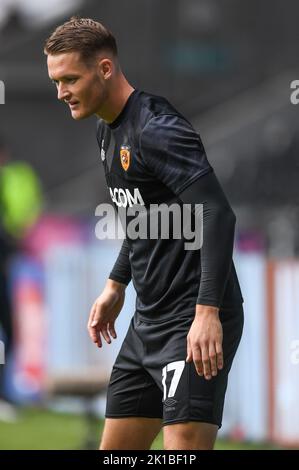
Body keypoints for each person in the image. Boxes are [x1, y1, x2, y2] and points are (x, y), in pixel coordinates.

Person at [44, 17, 244, 450]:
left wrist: (206, 312)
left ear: (104, 68)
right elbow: (142, 219)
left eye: (70, 79)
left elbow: (218, 213)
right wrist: (116, 284)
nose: (61, 92)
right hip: (147, 322)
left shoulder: (157, 129)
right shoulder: (106, 129)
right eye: (56, 81)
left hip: (191, 320)